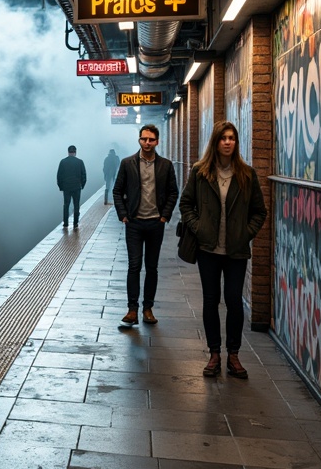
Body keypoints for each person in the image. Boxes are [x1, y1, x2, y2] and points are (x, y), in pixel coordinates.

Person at [178, 121, 267, 379]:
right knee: (210, 300)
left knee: (233, 301)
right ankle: (215, 354)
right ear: (215, 142)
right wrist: (199, 227)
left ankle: (234, 355)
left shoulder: (247, 174)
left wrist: (246, 233)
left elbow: (259, 211)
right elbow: (186, 204)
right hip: (208, 249)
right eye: (223, 138)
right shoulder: (200, 172)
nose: (228, 142)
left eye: (232, 138)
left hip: (236, 251)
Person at [113, 124, 179, 326]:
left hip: (155, 223)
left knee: (152, 268)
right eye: (144, 139)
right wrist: (123, 215)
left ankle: (147, 309)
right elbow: (117, 191)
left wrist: (164, 216)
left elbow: (173, 192)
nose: (147, 143)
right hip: (133, 223)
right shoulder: (127, 163)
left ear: (157, 141)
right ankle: (132, 310)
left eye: (151, 139)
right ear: (139, 140)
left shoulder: (166, 165)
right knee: (134, 266)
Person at [56, 144, 87, 230]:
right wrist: (82, 185)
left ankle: (65, 223)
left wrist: (61, 187)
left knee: (66, 205)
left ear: (68, 152)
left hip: (66, 187)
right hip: (77, 187)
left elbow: (59, 176)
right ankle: (75, 223)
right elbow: (84, 175)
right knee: (76, 205)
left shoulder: (63, 162)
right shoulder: (80, 162)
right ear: (75, 152)